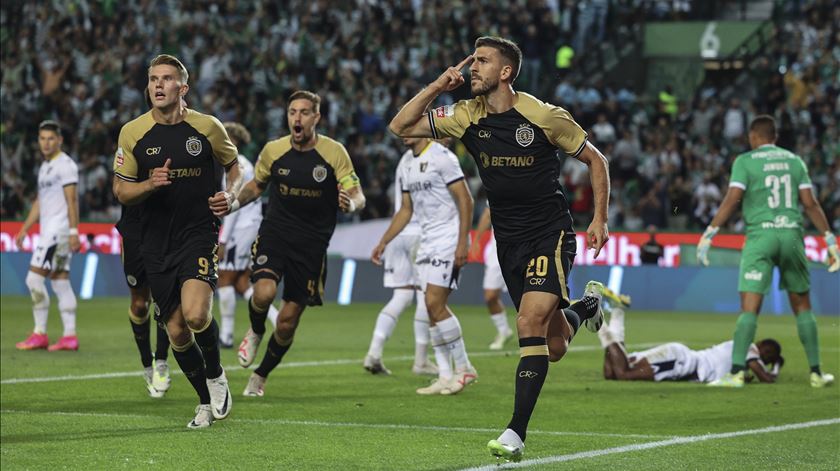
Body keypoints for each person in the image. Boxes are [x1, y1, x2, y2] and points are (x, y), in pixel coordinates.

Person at [389, 36, 611, 462]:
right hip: (507, 241)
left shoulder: (543, 116)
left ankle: (515, 432)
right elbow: (400, 127)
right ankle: (585, 308)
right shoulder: (465, 115)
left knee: (528, 321)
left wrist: (599, 218)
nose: (473, 67)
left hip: (550, 232)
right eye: (472, 61)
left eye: (483, 61)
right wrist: (438, 85)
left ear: (505, 72)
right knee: (556, 344)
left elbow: (596, 160)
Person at [113, 54, 241, 429]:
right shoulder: (132, 133)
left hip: (197, 233)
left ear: (182, 88)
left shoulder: (208, 127)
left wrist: (230, 196)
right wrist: (149, 184)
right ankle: (204, 401)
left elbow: (235, 168)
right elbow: (121, 190)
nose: (157, 85)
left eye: (166, 79)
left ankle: (216, 374)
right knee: (176, 331)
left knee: (197, 314)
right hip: (154, 240)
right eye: (153, 78)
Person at [232, 90, 366, 397]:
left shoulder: (334, 153)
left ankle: (261, 375)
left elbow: (357, 194)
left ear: (316, 118)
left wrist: (352, 205)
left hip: (311, 245)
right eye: (293, 111)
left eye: (305, 112)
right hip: (276, 233)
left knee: (288, 322)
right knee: (263, 293)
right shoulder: (273, 150)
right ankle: (254, 329)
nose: (298, 118)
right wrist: (231, 203)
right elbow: (256, 186)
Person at [697, 115, 838, 389]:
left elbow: (732, 199)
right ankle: (817, 373)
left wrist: (710, 231)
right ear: (775, 137)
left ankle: (737, 373)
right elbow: (810, 203)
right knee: (802, 306)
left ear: (753, 136)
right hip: (791, 235)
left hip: (760, 236)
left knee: (750, 308)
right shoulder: (794, 161)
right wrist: (830, 239)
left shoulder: (745, 161)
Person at [371, 136, 476, 395]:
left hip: (449, 239)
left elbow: (466, 200)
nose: (403, 131)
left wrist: (462, 242)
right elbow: (406, 210)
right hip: (427, 241)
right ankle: (444, 374)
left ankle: (464, 368)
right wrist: (384, 241)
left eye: (410, 125)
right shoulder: (407, 162)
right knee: (430, 309)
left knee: (434, 303)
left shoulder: (442, 157)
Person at [363, 141, 437, 376]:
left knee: (402, 295)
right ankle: (421, 361)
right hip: (420, 233)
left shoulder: (405, 159)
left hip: (398, 233)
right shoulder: (433, 157)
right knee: (426, 296)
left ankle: (374, 353)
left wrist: (384, 240)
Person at [15, 120, 81, 352]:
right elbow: (40, 202)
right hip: (52, 232)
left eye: (50, 138)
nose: (46, 143)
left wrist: (74, 232)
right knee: (60, 282)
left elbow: (72, 200)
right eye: (42, 138)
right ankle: (70, 336)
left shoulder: (65, 165)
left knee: (33, 280)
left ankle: (40, 333)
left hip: (58, 233)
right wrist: (25, 228)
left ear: (59, 140)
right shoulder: (45, 167)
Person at [598, 302, 783, 384]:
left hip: (679, 357)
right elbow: (765, 378)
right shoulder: (749, 348)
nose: (764, 358)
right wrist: (776, 366)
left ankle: (617, 311)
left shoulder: (739, 357)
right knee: (623, 374)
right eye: (767, 354)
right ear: (760, 345)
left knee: (611, 373)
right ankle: (597, 317)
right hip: (682, 363)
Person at [216, 122, 279, 348]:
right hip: (249, 226)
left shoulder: (237, 166)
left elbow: (234, 206)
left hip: (241, 228)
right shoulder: (241, 164)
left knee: (224, 277)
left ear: (231, 141)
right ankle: (276, 318)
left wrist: (223, 240)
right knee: (242, 281)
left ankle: (226, 335)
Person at [469, 206, 513, 350]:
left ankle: (539, 336)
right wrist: (476, 240)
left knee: (531, 295)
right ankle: (504, 331)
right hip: (498, 251)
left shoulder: (531, 184)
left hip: (524, 247)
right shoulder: (497, 183)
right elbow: (488, 213)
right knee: (490, 296)